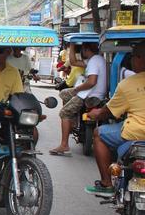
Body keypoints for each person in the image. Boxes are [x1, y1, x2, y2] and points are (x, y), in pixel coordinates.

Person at [85, 43, 145, 195]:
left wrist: (95, 113)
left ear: (139, 59)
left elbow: (108, 112)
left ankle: (106, 184)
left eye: (133, 57)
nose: (131, 61)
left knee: (99, 133)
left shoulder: (127, 84)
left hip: (136, 133)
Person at [50, 42, 107, 156]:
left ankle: (64, 145)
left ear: (86, 49)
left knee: (64, 112)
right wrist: (71, 45)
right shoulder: (96, 59)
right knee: (64, 93)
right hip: (92, 93)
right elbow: (73, 62)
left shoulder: (94, 61)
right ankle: (72, 122)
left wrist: (77, 90)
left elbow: (91, 82)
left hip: (90, 95)